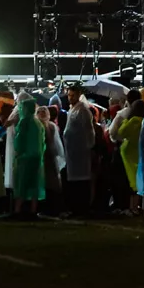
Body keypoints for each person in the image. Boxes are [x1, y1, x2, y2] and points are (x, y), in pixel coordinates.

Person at [62, 85, 96, 217]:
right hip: (72, 152)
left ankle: (82, 208)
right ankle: (75, 208)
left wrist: (88, 146)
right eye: (69, 95)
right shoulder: (72, 109)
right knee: (74, 182)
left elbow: (88, 131)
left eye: (73, 95)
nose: (70, 98)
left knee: (81, 181)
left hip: (81, 151)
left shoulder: (83, 110)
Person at [11, 97, 46, 218]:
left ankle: (17, 210)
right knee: (34, 184)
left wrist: (18, 152)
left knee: (22, 184)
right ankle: (33, 210)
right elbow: (43, 142)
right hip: (37, 157)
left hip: (25, 157)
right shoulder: (37, 122)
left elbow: (19, 140)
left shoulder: (24, 121)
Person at [117, 99, 144, 215]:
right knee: (138, 179)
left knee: (132, 180)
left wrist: (125, 121)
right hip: (139, 151)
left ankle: (132, 207)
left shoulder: (134, 120)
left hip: (129, 151)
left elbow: (121, 131)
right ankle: (136, 206)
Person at [37, 105, 65, 215]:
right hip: (42, 157)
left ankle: (52, 207)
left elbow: (56, 144)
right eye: (40, 112)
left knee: (50, 181)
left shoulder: (51, 126)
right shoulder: (39, 126)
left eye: (44, 112)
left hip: (48, 156)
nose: (42, 114)